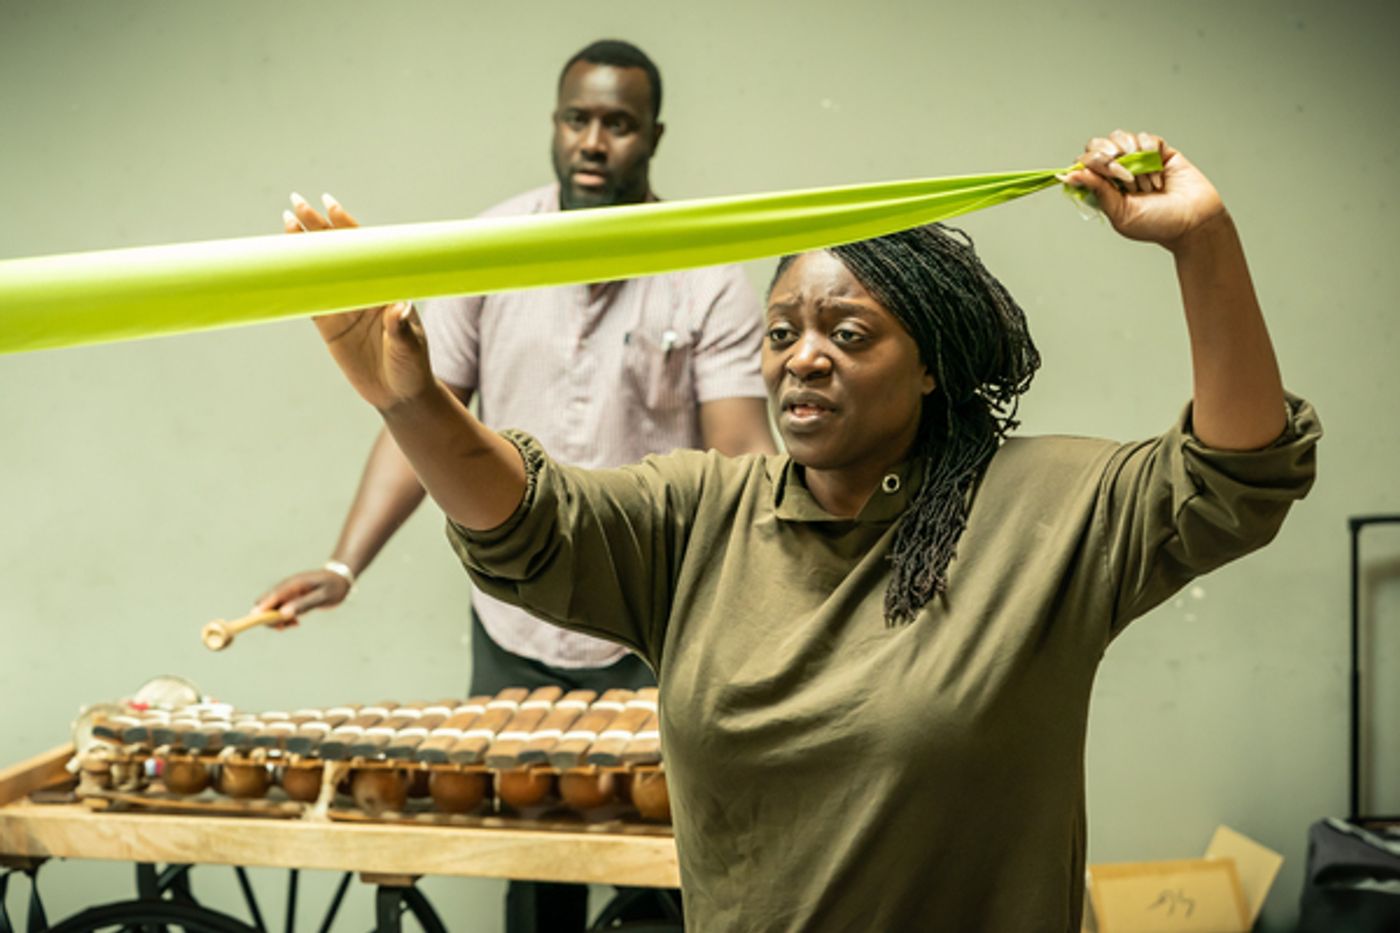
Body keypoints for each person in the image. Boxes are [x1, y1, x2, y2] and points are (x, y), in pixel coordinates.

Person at [306, 129, 1320, 931]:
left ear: (928, 364)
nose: (801, 359)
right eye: (782, 332)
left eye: (847, 334)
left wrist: (1199, 241)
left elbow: (1237, 475)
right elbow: (527, 520)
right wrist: (413, 402)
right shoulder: (701, 517)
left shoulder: (1045, 507)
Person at [263, 39, 772, 931]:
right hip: (515, 615)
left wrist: (775, 594)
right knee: (531, 861)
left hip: (651, 621)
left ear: (652, 136)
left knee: (664, 860)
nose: (593, 140)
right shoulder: (485, 251)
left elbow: (740, 453)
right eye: (578, 118)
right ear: (555, 124)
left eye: (617, 124)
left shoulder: (708, 272)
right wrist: (345, 566)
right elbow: (416, 413)